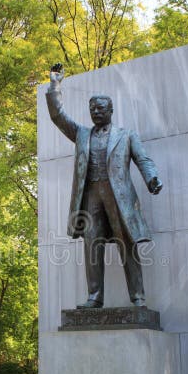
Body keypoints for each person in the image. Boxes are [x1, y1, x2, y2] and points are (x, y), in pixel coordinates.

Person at [46, 63, 162, 308]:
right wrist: (55, 85)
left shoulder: (126, 135)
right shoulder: (81, 134)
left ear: (110, 110)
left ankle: (138, 297)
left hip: (118, 197)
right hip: (90, 196)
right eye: (92, 109)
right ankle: (94, 296)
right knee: (92, 245)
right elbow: (58, 116)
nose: (96, 112)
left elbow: (142, 159)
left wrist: (152, 178)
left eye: (100, 108)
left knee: (126, 244)